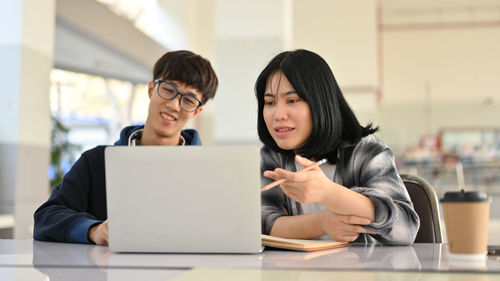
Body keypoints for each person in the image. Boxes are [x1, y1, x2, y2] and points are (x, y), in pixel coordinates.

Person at [34, 50, 218, 245]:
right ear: (150, 90)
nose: (173, 105)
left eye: (188, 100)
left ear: (197, 111)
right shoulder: (96, 162)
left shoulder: (210, 175)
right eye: (168, 89)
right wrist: (93, 230)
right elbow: (46, 217)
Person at [256, 49, 419, 244]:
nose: (278, 115)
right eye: (270, 102)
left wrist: (329, 194)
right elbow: (262, 224)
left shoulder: (366, 151)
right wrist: (322, 223)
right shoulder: (273, 156)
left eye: (292, 100)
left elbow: (406, 229)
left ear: (320, 102)